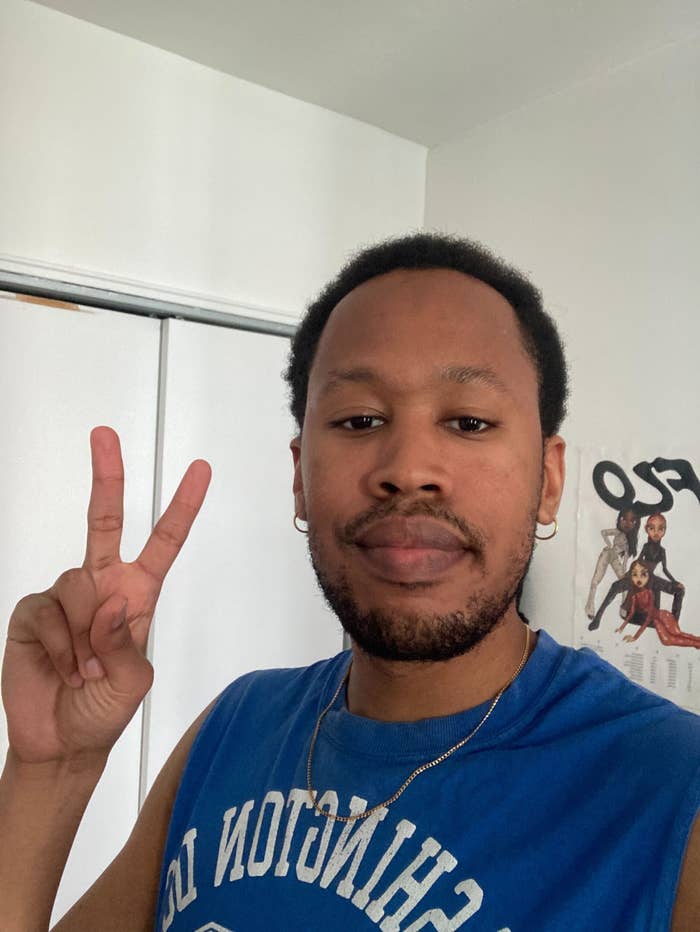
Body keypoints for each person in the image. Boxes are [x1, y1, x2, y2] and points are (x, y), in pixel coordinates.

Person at [1, 233, 699, 931]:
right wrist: (51, 766)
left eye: (468, 421)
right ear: (300, 477)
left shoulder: (670, 790)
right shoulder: (233, 728)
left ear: (549, 482)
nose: (409, 466)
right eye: (360, 419)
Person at [588, 511, 685, 631]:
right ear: (646, 529)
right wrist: (629, 574)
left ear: (665, 531)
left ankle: (673, 625)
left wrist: (674, 582)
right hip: (639, 575)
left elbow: (665, 569)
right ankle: (598, 618)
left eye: (660, 529)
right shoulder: (645, 546)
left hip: (652, 579)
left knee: (680, 590)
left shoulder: (662, 551)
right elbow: (638, 561)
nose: (656, 532)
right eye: (652, 528)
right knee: (615, 586)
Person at [616, 560, 700, 648]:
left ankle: (697, 642)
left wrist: (635, 637)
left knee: (676, 634)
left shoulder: (649, 593)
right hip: (656, 620)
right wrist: (621, 627)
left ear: (649, 576)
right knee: (666, 641)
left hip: (663, 616)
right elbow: (631, 613)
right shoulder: (634, 596)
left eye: (643, 574)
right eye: (634, 575)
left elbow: (648, 617)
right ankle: (697, 643)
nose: (639, 579)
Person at [584, 508, 640, 619]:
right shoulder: (617, 532)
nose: (627, 523)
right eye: (624, 519)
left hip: (615, 559)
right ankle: (589, 607)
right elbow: (603, 532)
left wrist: (624, 573)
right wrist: (609, 545)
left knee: (625, 584)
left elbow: (625, 561)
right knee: (596, 580)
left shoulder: (630, 542)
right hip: (607, 554)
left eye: (632, 521)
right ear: (620, 519)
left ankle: (624, 608)